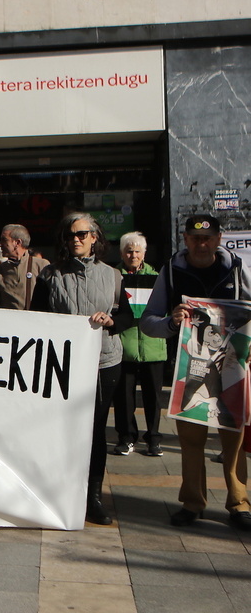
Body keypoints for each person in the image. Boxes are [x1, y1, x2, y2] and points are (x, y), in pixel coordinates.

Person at [141, 214, 251, 530]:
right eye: (194, 239)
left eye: (207, 238)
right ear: (185, 240)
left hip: (231, 370)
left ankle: (239, 503)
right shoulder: (171, 273)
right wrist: (171, 322)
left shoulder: (237, 269)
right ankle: (192, 503)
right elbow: (149, 322)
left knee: (233, 441)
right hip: (189, 369)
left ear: (218, 239)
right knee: (191, 441)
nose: (201, 245)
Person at [30, 212, 133, 525]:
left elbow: (129, 317)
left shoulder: (114, 276)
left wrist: (112, 320)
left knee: (95, 431)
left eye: (83, 234)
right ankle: (60, 494)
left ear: (95, 238)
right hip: (63, 365)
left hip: (104, 361)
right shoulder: (50, 274)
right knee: (61, 431)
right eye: (71, 235)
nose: (76, 239)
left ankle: (93, 499)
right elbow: (35, 318)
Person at [112, 232, 167, 457]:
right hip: (124, 346)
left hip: (153, 346)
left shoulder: (158, 277)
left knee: (153, 397)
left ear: (144, 252)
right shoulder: (113, 277)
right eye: (128, 250)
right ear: (121, 253)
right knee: (124, 397)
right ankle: (126, 437)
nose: (133, 255)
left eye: (137, 251)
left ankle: (153, 438)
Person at [0, 224, 50, 310]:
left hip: (34, 321)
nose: (0, 244)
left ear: (17, 243)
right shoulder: (0, 269)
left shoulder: (41, 265)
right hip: (7, 321)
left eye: (4, 240)